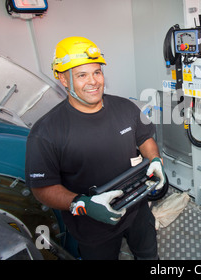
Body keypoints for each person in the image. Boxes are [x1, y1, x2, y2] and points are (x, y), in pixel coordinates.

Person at [25, 36, 165, 260]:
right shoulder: (46, 132)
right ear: (63, 79)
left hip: (137, 209)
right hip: (92, 225)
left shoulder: (126, 108)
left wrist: (156, 160)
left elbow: (145, 139)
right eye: (82, 75)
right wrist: (83, 204)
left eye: (97, 72)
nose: (93, 81)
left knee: (149, 256)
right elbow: (42, 188)